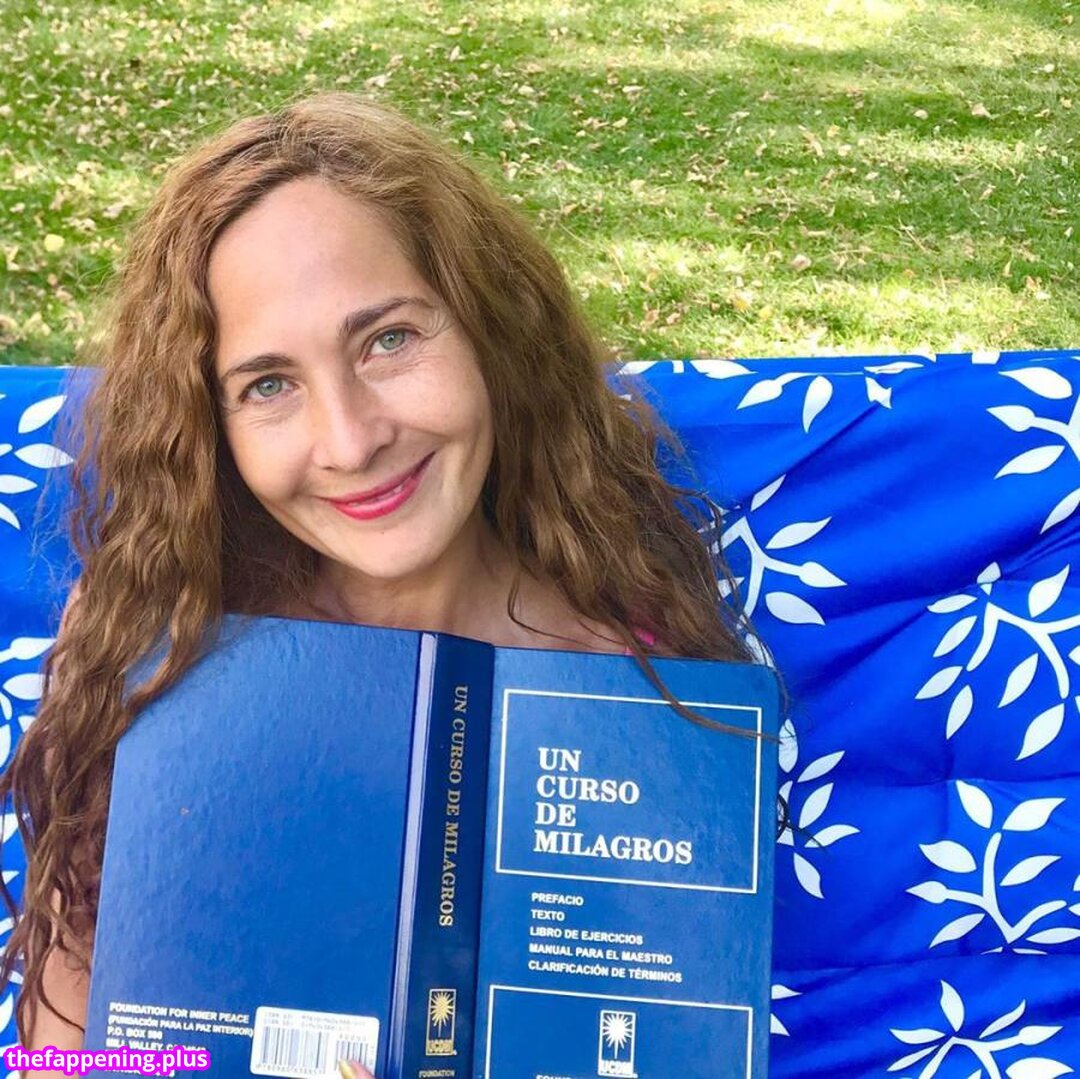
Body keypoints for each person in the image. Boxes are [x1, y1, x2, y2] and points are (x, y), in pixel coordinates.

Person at [0, 93, 758, 1078]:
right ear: (212, 427)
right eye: (268, 384)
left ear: (490, 328)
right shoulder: (157, 646)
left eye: (388, 339)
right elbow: (65, 1041)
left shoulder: (641, 680)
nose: (351, 441)